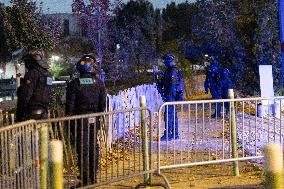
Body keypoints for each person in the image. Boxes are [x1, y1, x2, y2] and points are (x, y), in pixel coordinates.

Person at [65, 55, 106, 186]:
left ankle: (85, 180)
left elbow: (69, 107)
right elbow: (102, 105)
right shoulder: (99, 84)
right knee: (93, 148)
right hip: (94, 122)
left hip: (79, 123)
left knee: (82, 150)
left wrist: (69, 125)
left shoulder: (74, 84)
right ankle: (93, 178)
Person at [16, 49, 52, 122]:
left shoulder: (32, 73)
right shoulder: (48, 74)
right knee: (43, 133)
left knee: (33, 133)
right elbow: (49, 91)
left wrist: (20, 113)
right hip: (44, 111)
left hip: (32, 112)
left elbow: (25, 95)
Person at [156, 52, 185, 141]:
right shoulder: (170, 70)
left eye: (165, 61)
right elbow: (165, 84)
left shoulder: (172, 71)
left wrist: (167, 97)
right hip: (171, 96)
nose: (164, 63)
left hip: (171, 96)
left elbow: (172, 86)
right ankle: (174, 134)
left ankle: (169, 134)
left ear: (169, 61)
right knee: (172, 115)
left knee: (168, 115)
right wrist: (158, 80)